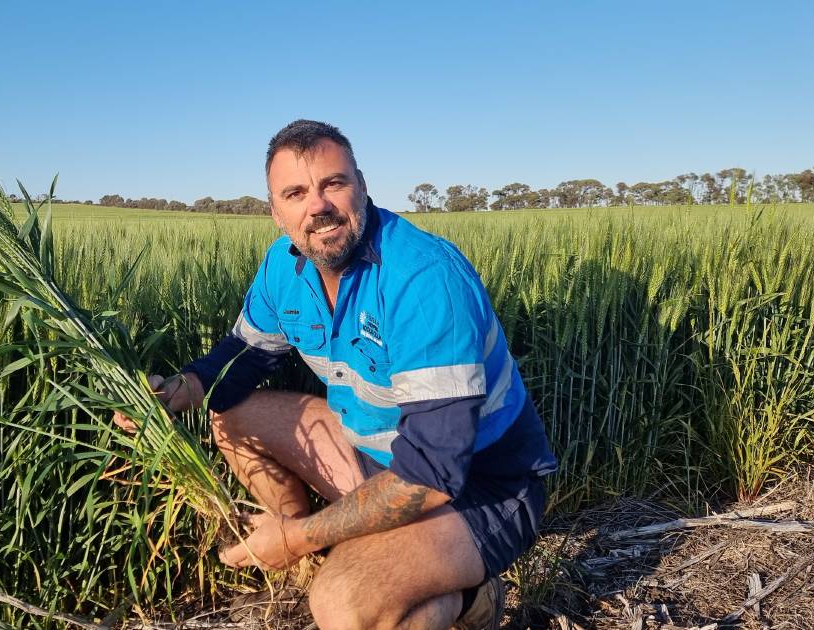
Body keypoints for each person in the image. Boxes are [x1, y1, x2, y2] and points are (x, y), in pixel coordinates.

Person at [115, 120, 557, 630]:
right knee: (232, 416)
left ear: (362, 186)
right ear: (275, 210)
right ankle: (324, 565)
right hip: (375, 455)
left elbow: (436, 470)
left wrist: (302, 534)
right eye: (296, 193)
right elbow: (242, 359)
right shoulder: (284, 269)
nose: (317, 206)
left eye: (333, 184)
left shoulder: (423, 279)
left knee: (345, 604)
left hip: (483, 483)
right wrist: (175, 392)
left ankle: (466, 596)